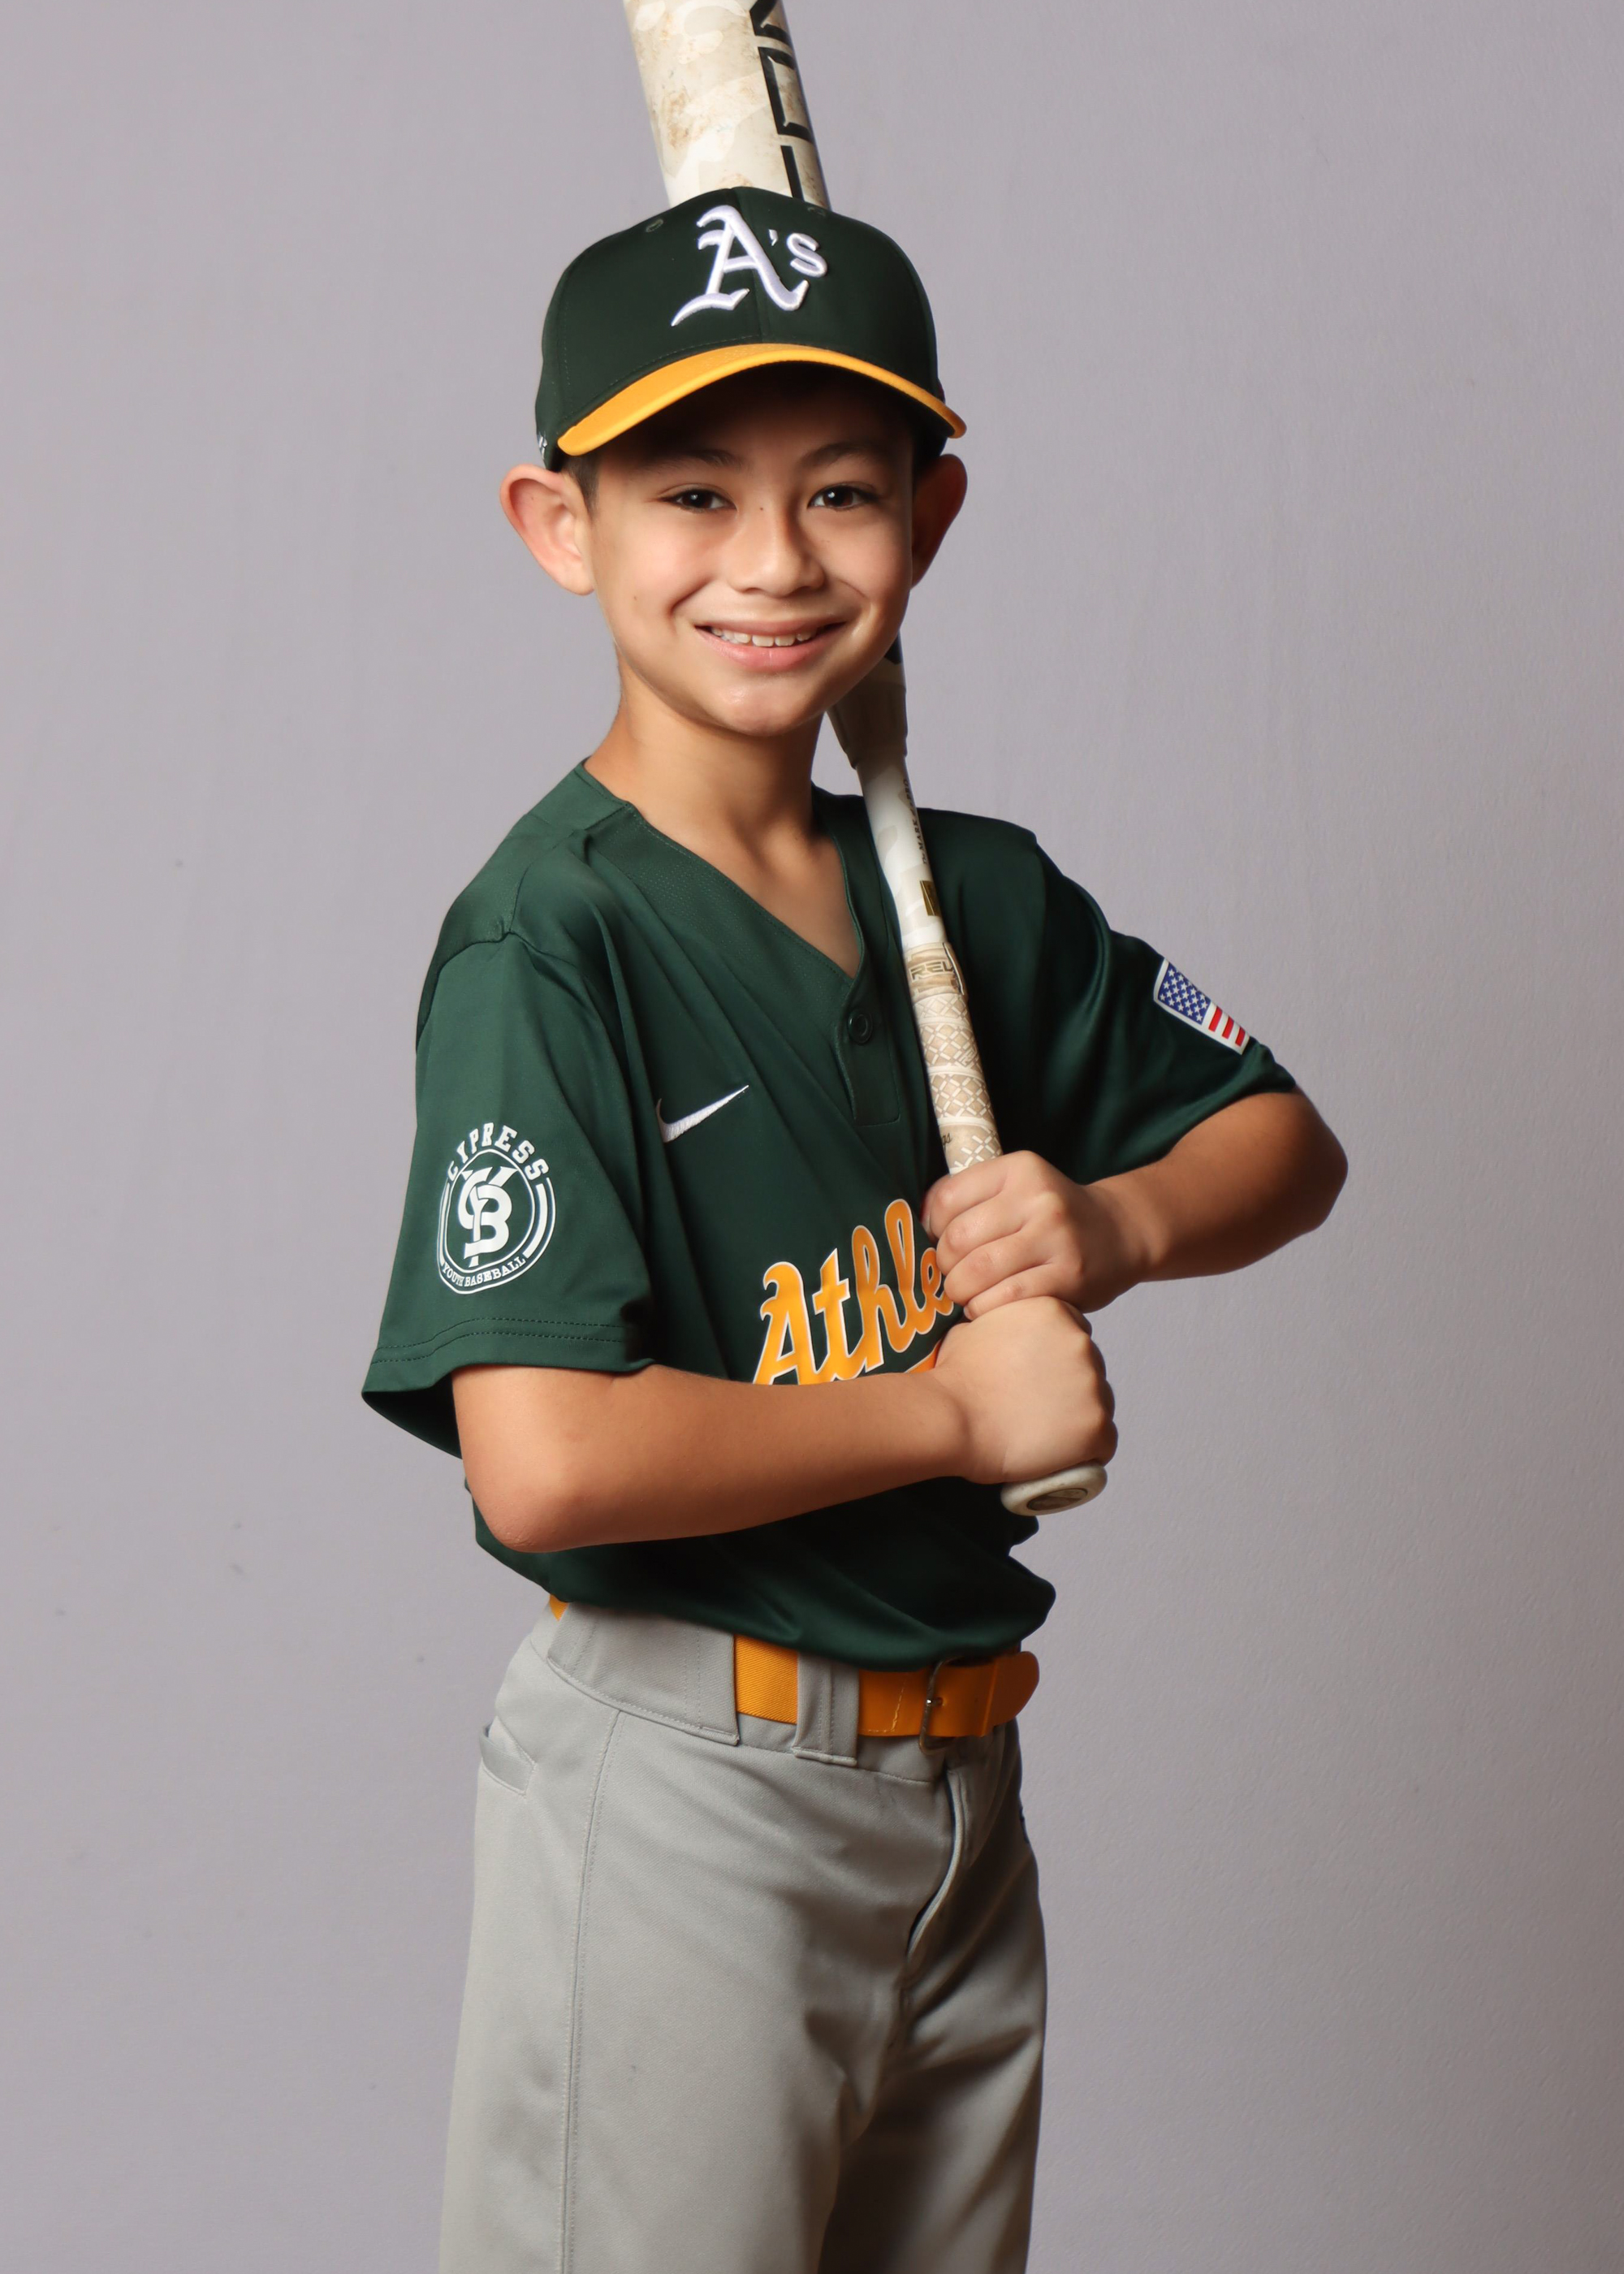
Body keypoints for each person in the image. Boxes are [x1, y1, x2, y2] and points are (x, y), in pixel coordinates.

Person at [363, 186, 1346, 2274]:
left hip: (960, 1790)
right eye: (691, 492)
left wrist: (1110, 1216)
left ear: (930, 516)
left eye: (840, 489)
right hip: (690, 1781)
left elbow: (1282, 1139)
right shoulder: (551, 938)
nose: (774, 560)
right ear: (559, 526)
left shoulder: (969, 895)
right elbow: (546, 1457)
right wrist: (952, 1412)